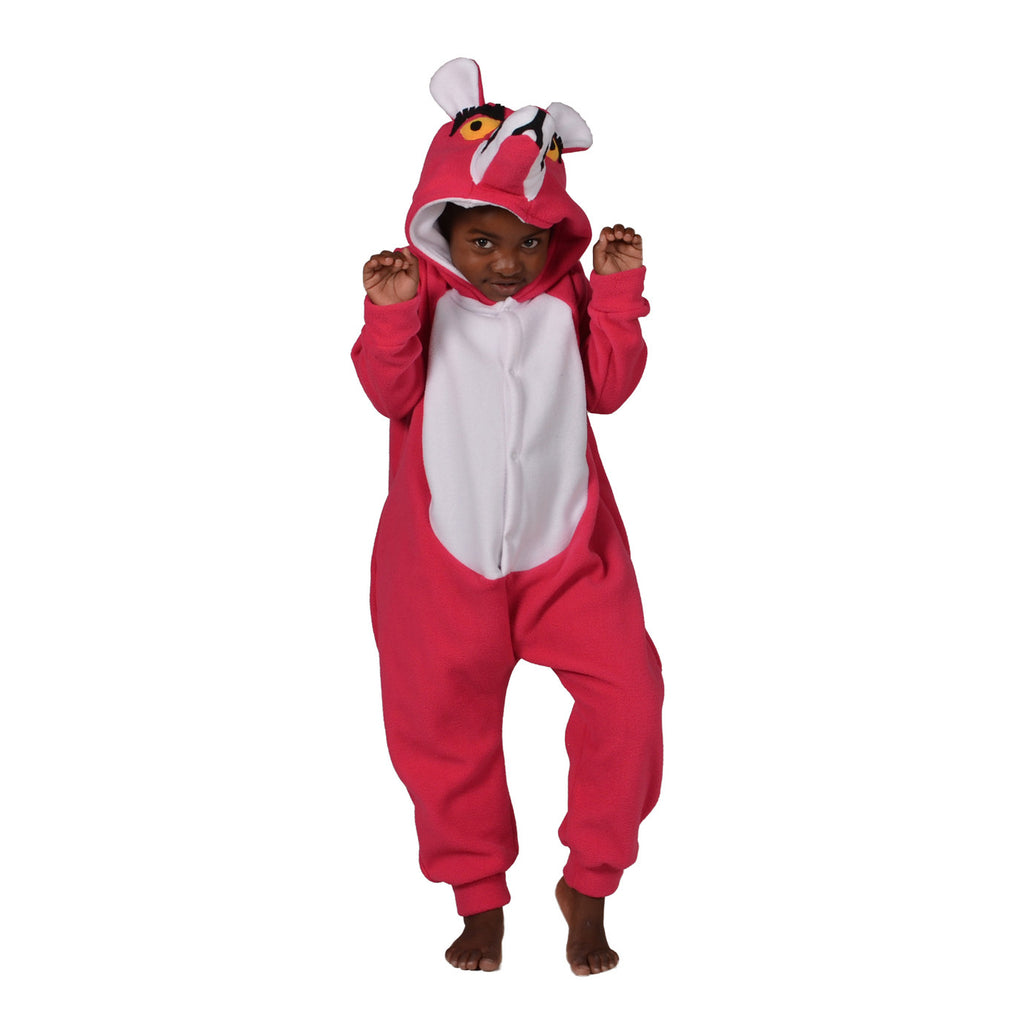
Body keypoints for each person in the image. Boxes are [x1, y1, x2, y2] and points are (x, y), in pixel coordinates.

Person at [352, 58, 663, 975]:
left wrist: (617, 294)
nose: (508, 262)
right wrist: (388, 315)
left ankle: (590, 884)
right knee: (440, 730)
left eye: (529, 242)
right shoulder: (423, 297)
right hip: (439, 570)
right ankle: (478, 896)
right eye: (485, 241)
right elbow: (389, 394)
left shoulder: (563, 296)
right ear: (442, 228)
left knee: (631, 700)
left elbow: (608, 389)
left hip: (571, 557)